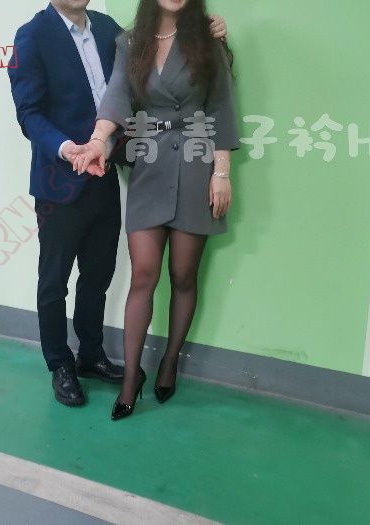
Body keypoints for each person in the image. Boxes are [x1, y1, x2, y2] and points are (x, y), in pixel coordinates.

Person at [7, 0, 228, 407]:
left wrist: (207, 28)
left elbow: (140, 76)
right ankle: (60, 364)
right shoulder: (32, 36)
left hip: (105, 173)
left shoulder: (110, 30)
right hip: (61, 179)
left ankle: (91, 355)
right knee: (54, 280)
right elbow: (29, 114)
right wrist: (68, 148)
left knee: (98, 273)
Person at [73, 0, 240, 420]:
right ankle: (131, 378)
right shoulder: (131, 43)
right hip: (149, 161)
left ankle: (169, 362)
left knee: (183, 275)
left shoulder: (208, 39)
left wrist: (221, 173)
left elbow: (221, 107)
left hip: (197, 161)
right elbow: (117, 95)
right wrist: (98, 139)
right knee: (143, 274)